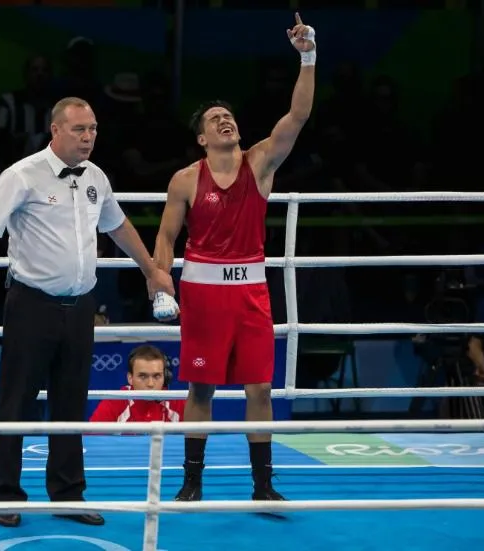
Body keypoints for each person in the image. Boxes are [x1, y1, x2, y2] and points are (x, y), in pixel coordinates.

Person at [0, 96, 174, 528]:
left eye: (94, 129)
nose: (89, 137)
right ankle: (4, 494)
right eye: (80, 129)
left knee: (70, 401)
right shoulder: (21, 175)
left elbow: (118, 226)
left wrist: (153, 272)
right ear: (55, 130)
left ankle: (67, 492)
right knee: (15, 402)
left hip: (81, 308)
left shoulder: (97, 176)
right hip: (31, 306)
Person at [152, 13, 316, 503]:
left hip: (250, 292)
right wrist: (161, 284)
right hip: (202, 294)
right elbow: (165, 238)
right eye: (214, 119)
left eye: (230, 116)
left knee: (259, 388)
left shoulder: (260, 162)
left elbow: (298, 117)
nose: (226, 120)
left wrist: (308, 56)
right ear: (202, 137)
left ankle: (263, 485)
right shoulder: (184, 179)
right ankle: (192, 481)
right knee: (200, 389)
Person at [89, 344, 185, 424]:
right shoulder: (114, 403)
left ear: (165, 377)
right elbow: (90, 441)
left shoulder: (177, 403)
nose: (150, 384)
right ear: (130, 378)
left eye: (156, 376)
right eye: (143, 376)